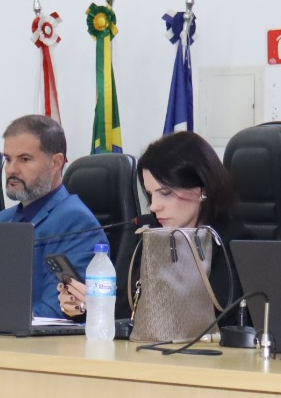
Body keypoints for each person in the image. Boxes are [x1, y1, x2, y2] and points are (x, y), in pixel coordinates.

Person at [60, 131, 247, 320]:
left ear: (202, 190)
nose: (154, 206)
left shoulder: (233, 244)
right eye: (150, 195)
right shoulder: (152, 236)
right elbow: (127, 312)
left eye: (165, 193)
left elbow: (223, 319)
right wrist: (87, 306)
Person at [0, 115, 105, 318]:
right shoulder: (3, 220)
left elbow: (55, 312)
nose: (11, 169)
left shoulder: (76, 221)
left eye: (25, 159)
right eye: (8, 159)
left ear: (55, 163)